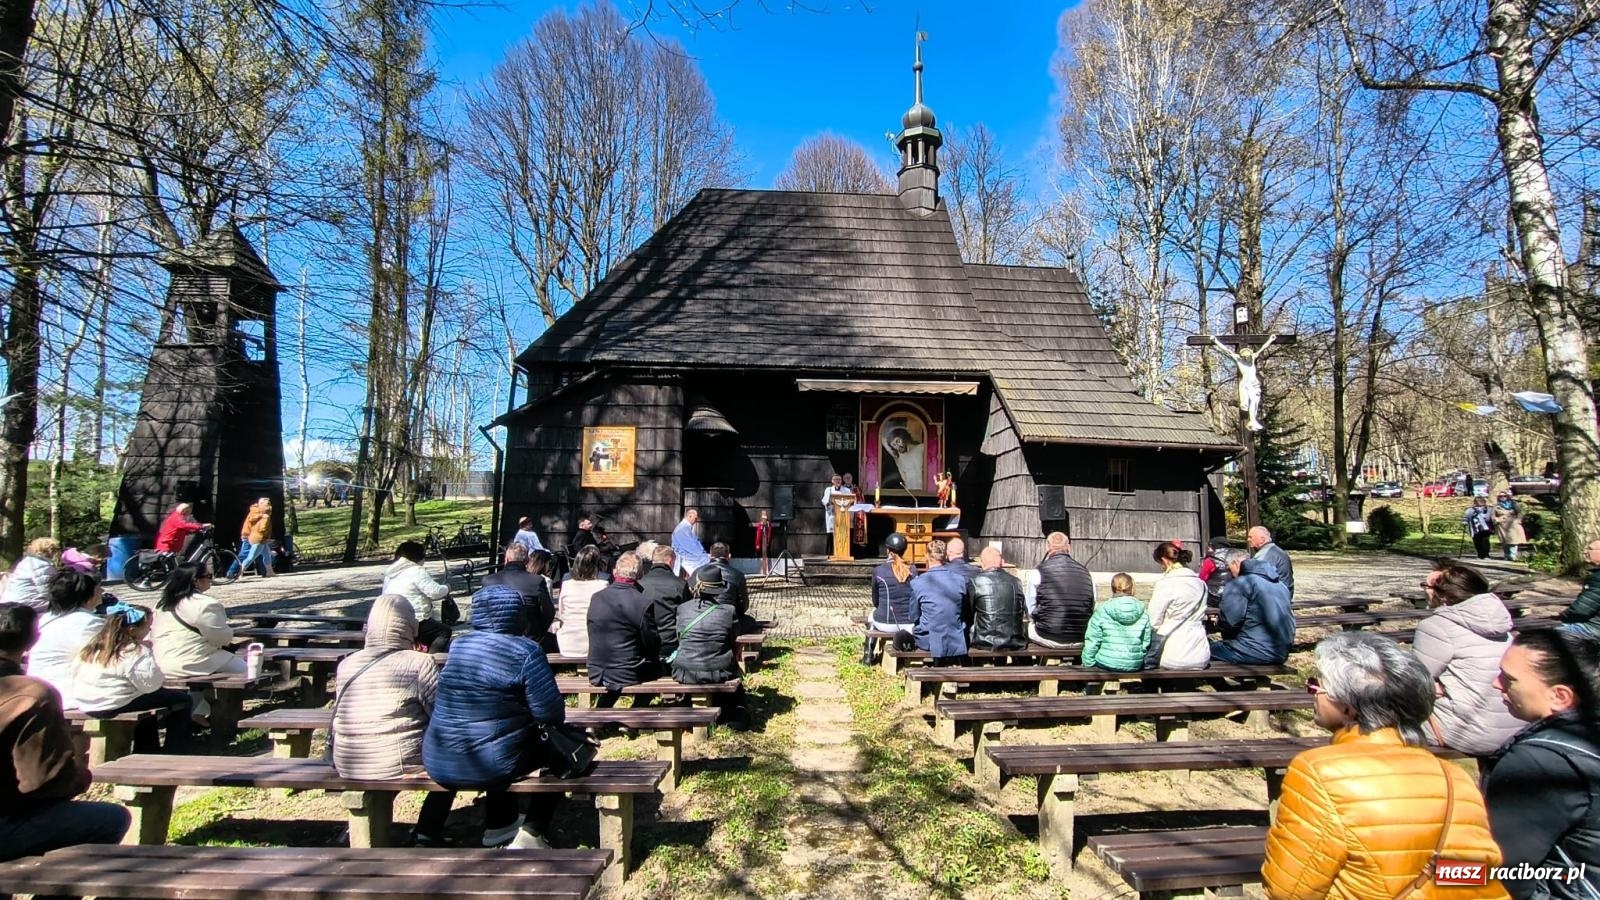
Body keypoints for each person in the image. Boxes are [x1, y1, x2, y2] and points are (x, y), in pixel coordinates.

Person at [1262, 632, 1507, 899]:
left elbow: (1289, 891)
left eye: (1317, 686)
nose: (1313, 694)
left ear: (1348, 707)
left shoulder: (1319, 772)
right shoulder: (1456, 779)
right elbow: (1473, 876)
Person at [423, 584, 564, 849]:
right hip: (490, 761)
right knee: (561, 752)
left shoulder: (459, 646)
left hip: (438, 755)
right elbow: (551, 713)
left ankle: (495, 824)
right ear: (517, 613)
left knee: (499, 738)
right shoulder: (525, 650)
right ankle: (533, 832)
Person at [0, 602, 131, 864]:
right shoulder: (33, 694)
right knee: (112, 819)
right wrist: (80, 777)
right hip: (6, 822)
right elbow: (44, 782)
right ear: (34, 639)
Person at [1485, 631, 1600, 898]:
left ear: (1559, 696)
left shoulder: (1542, 761)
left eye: (1509, 679)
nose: (1496, 684)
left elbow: (1506, 872)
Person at [331, 594, 452, 846]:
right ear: (410, 626)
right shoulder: (420, 663)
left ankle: (355, 828)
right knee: (453, 760)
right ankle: (428, 832)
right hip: (394, 759)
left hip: (348, 758)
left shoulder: (347, 664)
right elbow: (440, 713)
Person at [1412, 564, 1524, 756]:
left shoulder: (1436, 626)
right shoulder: (1501, 621)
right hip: (1516, 726)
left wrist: (1430, 686)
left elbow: (1412, 680)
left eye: (1426, 586)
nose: (1424, 591)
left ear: (1443, 595)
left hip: (1467, 733)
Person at [73, 602, 193, 752]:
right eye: (147, 627)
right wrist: (150, 656)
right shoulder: (134, 651)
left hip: (88, 702)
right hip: (113, 703)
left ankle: (149, 748)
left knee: (146, 703)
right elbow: (151, 685)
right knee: (182, 699)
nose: (149, 630)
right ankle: (175, 749)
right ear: (133, 630)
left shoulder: (93, 648)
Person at [671, 565, 748, 727]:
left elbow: (679, 638)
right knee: (737, 685)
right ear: (719, 589)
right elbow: (734, 640)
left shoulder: (682, 609)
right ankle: (736, 714)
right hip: (719, 670)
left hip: (685, 671)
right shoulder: (728, 611)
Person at [586, 552, 659, 707]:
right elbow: (651, 642)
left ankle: (601, 712)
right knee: (659, 669)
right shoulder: (642, 602)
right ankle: (635, 714)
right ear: (640, 574)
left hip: (596, 669)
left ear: (615, 571)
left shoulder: (596, 597)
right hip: (626, 671)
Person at [27, 568, 105, 708]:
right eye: (98, 588)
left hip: (37, 690)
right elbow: (106, 658)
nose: (102, 591)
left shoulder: (46, 619)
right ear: (88, 594)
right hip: (67, 694)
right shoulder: (89, 623)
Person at [1210, 548, 1294, 665]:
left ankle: (1219, 684)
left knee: (1200, 651)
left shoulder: (1240, 584)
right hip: (1281, 651)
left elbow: (1230, 622)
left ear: (1236, 563)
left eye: (1229, 567)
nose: (1229, 572)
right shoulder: (1279, 584)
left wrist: (1218, 622)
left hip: (1255, 650)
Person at [1147, 540, 1210, 670]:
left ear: (1164, 560)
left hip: (1172, 653)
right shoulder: (1201, 584)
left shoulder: (1166, 583)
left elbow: (1153, 620)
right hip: (1200, 653)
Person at [1026, 532, 1095, 648]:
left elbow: (1030, 610)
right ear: (1069, 547)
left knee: (1028, 627)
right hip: (1081, 636)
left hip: (1049, 635)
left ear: (1047, 547)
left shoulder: (1038, 572)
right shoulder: (1086, 573)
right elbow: (1091, 605)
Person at [382, 541, 451, 652]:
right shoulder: (416, 570)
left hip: (390, 619)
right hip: (414, 620)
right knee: (444, 632)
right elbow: (434, 592)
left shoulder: (390, 574)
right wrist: (447, 588)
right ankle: (430, 660)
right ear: (418, 556)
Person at [482, 544, 556, 649]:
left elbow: (484, 613)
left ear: (506, 559)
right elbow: (549, 613)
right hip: (530, 639)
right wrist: (537, 632)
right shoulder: (536, 581)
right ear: (526, 560)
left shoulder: (488, 581)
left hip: (496, 639)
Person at [909, 539, 967, 665]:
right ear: (945, 556)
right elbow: (964, 609)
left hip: (928, 638)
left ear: (927, 556)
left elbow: (913, 615)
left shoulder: (918, 583)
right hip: (955, 636)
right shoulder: (960, 580)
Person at [1082, 573, 1151, 671]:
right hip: (1134, 662)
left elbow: (1093, 638)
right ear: (1132, 588)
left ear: (1113, 588)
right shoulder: (1142, 609)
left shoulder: (1103, 609)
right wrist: (1139, 656)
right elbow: (1146, 640)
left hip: (1106, 660)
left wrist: (1088, 661)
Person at [965, 546, 1026, 652]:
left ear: (982, 563)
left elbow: (969, 612)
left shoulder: (975, 582)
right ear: (1002, 562)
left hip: (984, 641)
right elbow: (1022, 611)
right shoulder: (1016, 582)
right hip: (1014, 640)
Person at [638, 545, 689, 665]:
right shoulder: (679, 584)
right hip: (671, 643)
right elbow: (687, 614)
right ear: (671, 560)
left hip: (644, 643)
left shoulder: (639, 584)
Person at [555, 546, 608, 656]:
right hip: (595, 644)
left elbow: (561, 612)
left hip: (566, 643)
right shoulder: (603, 584)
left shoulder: (566, 584)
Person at [691, 542, 748, 618]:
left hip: (699, 615)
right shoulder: (738, 575)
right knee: (750, 621)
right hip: (727, 616)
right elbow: (743, 606)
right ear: (729, 556)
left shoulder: (697, 572)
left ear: (710, 556)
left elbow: (690, 598)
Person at [2, 537, 60, 612]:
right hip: (24, 603)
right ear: (49, 551)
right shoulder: (42, 565)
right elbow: (46, 590)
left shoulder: (26, 561)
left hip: (8, 600)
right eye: (54, 550)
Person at [1558, 539, 1600, 638]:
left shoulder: (1598, 578)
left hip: (1593, 629)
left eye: (1590, 549)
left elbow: (1580, 611)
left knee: (1541, 639)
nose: (1585, 551)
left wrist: (1563, 616)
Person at [225, 497, 274, 579]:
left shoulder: (259, 511)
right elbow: (259, 524)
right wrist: (262, 516)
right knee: (246, 555)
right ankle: (233, 572)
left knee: (266, 554)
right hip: (249, 535)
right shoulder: (256, 511)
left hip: (255, 536)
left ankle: (269, 571)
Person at [1247, 526, 1294, 599]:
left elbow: (1255, 580)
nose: (1248, 539)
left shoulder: (1265, 555)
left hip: (1276, 598)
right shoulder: (1276, 550)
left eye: (1250, 537)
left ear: (1262, 540)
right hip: (1285, 593)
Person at [880, 424, 924, 491]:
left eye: (898, 441)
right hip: (911, 493)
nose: (897, 446)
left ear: (903, 437)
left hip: (926, 491)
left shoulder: (922, 448)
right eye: (894, 445)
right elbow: (882, 439)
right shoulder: (899, 459)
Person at [672, 509, 711, 575]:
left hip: (690, 557)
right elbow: (691, 547)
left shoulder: (685, 528)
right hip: (689, 559)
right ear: (690, 516)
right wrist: (705, 556)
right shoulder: (682, 529)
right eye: (695, 518)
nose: (696, 521)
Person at [1196, 537, 1235, 602]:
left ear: (1214, 547)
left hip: (1214, 595)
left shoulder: (1211, 560)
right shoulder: (1234, 557)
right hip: (1231, 593)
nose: (1208, 549)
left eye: (1209, 547)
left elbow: (1202, 578)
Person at [1494, 492, 1528, 561]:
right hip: (1502, 525)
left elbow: (1520, 513)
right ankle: (1506, 555)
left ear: (1507, 496)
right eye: (1500, 496)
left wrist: (1518, 520)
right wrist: (1497, 520)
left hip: (1513, 524)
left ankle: (1513, 555)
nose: (1502, 497)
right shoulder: (1496, 506)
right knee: (1505, 541)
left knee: (1513, 540)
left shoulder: (1514, 504)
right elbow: (1492, 516)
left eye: (1504, 496)